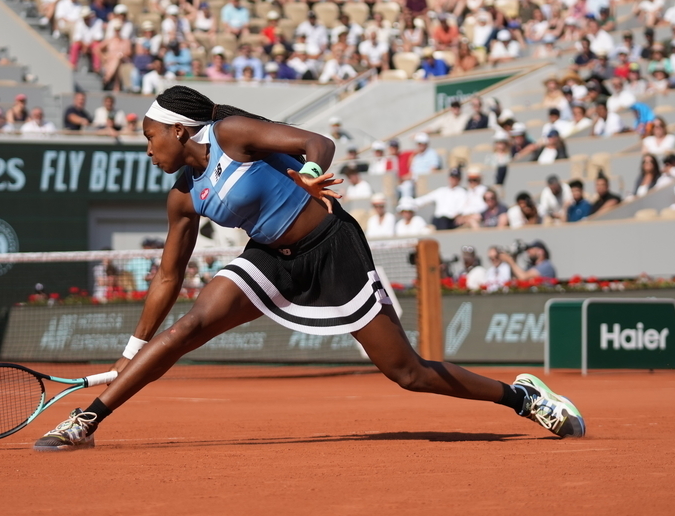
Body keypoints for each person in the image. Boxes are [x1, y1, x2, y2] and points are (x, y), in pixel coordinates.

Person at [31, 85, 585, 452]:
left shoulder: (231, 133)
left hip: (333, 246)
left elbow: (316, 141)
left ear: (179, 131)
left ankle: (523, 397)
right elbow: (168, 278)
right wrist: (131, 353)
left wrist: (310, 172)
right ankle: (87, 420)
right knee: (187, 329)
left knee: (407, 373)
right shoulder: (182, 196)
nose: (147, 149)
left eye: (149, 137)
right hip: (271, 260)